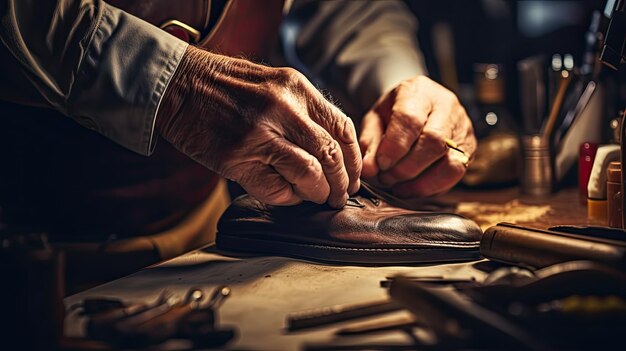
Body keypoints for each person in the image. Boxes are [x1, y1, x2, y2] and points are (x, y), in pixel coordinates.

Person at [0, 0, 475, 262]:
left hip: (199, 235)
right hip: (21, 249)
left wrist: (396, 83)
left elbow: (342, 8)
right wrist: (176, 87)